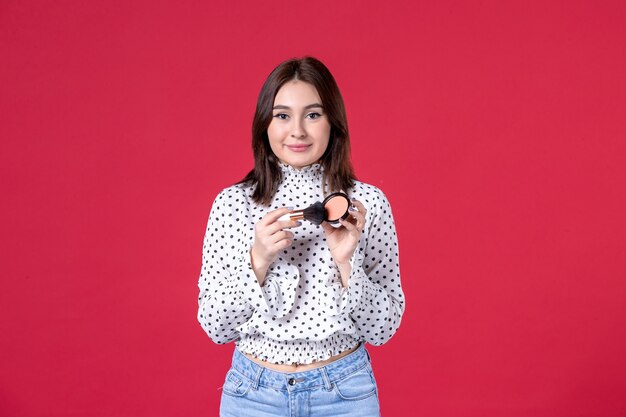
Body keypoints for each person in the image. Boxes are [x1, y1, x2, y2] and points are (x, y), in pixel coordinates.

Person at [197, 56, 405, 417]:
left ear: (332, 123)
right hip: (252, 396)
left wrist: (347, 266)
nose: (297, 131)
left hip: (344, 394)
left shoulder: (365, 205)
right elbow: (215, 327)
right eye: (282, 115)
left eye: (312, 114)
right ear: (264, 123)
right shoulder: (232, 205)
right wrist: (258, 260)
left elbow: (384, 330)